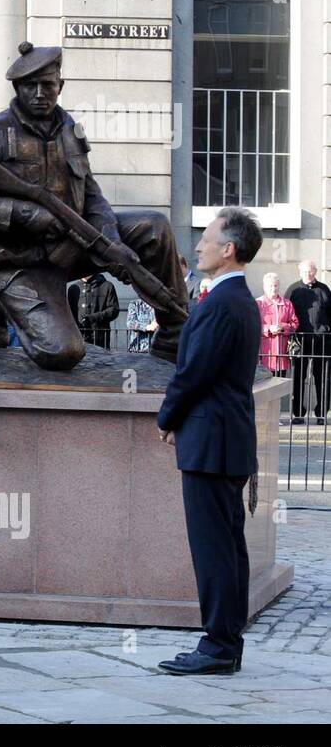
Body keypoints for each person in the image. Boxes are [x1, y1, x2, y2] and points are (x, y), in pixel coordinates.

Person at [0, 41, 189, 370]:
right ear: (17, 88)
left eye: (48, 85)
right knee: (63, 353)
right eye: (31, 86)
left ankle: (175, 337)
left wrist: (111, 240)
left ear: (61, 85)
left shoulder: (70, 130)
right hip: (19, 261)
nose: (40, 93)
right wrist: (25, 215)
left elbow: (91, 193)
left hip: (72, 244)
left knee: (154, 227)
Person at [157, 207, 262, 677]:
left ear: (229, 249)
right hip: (224, 439)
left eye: (206, 238)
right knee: (228, 545)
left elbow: (194, 370)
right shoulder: (235, 298)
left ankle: (219, 645)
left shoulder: (222, 302)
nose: (197, 246)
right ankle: (225, 641)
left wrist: (167, 416)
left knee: (214, 548)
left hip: (212, 441)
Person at [285, 260, 331, 424]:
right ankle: (298, 414)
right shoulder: (293, 290)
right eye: (305, 271)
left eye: (311, 271)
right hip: (301, 341)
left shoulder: (324, 289)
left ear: (315, 271)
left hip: (322, 341)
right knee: (298, 378)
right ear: (300, 272)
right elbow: (286, 313)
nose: (308, 274)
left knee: (323, 378)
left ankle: (321, 414)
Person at [256, 272, 298, 376]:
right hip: (263, 354)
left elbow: (295, 323)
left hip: (281, 354)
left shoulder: (287, 304)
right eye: (270, 286)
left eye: (275, 285)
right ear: (264, 287)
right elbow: (252, 326)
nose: (273, 288)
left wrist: (283, 327)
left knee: (280, 386)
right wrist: (268, 329)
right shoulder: (258, 303)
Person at [67, 271, 119, 350]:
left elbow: (114, 310)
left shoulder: (107, 286)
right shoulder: (73, 288)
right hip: (79, 337)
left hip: (100, 337)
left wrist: (93, 318)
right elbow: (68, 312)